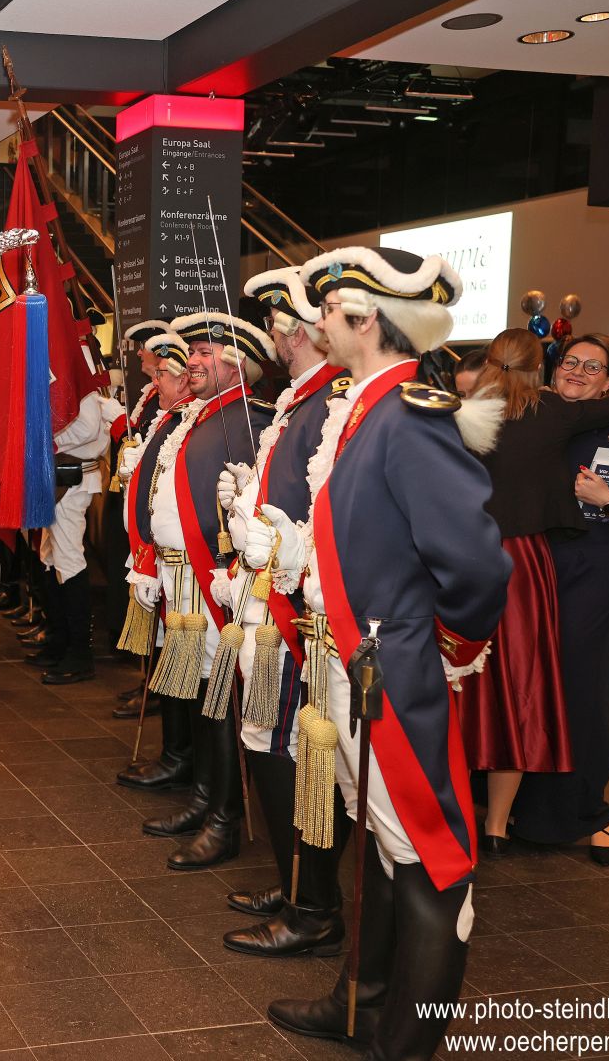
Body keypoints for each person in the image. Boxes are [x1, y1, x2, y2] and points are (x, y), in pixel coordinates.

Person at [262, 246, 509, 1060]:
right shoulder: (366, 409)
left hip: (389, 672)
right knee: (381, 838)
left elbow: (475, 564)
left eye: (329, 314)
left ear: (365, 319)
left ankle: (405, 1043)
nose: (318, 327)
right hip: (350, 663)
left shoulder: (409, 416)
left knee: (429, 859)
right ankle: (361, 1005)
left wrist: (447, 648)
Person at [448, 329, 609, 853]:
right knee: (520, 686)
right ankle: (496, 828)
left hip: (464, 560)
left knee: (461, 686)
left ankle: (453, 814)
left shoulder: (460, 416)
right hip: (523, 563)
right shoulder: (553, 412)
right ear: (541, 366)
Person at [217, 267, 350, 957]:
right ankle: (296, 879)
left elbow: (322, 507)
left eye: (278, 323)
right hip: (273, 595)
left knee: (290, 750)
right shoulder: (303, 399)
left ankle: (313, 902)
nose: (275, 334)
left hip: (297, 606)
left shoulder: (330, 399)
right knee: (270, 744)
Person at [511, 334, 609, 864]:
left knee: (581, 691)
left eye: (593, 367)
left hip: (592, 573)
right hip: (531, 567)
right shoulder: (530, 417)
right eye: (571, 361)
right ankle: (515, 808)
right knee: (526, 687)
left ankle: (590, 813)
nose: (578, 371)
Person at [135, 311, 274, 871]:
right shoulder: (201, 414)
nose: (191, 361)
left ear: (239, 364)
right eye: (192, 352)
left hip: (216, 581)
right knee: (199, 694)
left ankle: (224, 818)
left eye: (205, 353)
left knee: (221, 697)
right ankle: (203, 800)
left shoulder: (249, 417)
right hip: (185, 578)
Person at [114, 331, 194, 769]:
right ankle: (174, 754)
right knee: (166, 654)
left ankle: (178, 757)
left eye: (163, 373)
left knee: (181, 661)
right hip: (155, 556)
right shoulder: (169, 417)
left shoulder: (183, 419)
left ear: (182, 379)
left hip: (179, 564)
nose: (155, 380)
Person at [27, 384, 126, 684]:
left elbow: (86, 427)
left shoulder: (81, 377)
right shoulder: (73, 372)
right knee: (50, 557)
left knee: (69, 561)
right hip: (58, 475)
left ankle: (80, 653)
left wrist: (47, 440)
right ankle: (60, 640)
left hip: (72, 478)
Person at [110, 320, 177, 718]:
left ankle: (154, 688)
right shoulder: (152, 395)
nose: (138, 353)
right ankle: (147, 682)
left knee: (167, 625)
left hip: (165, 539)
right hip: (143, 527)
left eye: (144, 346)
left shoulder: (171, 407)